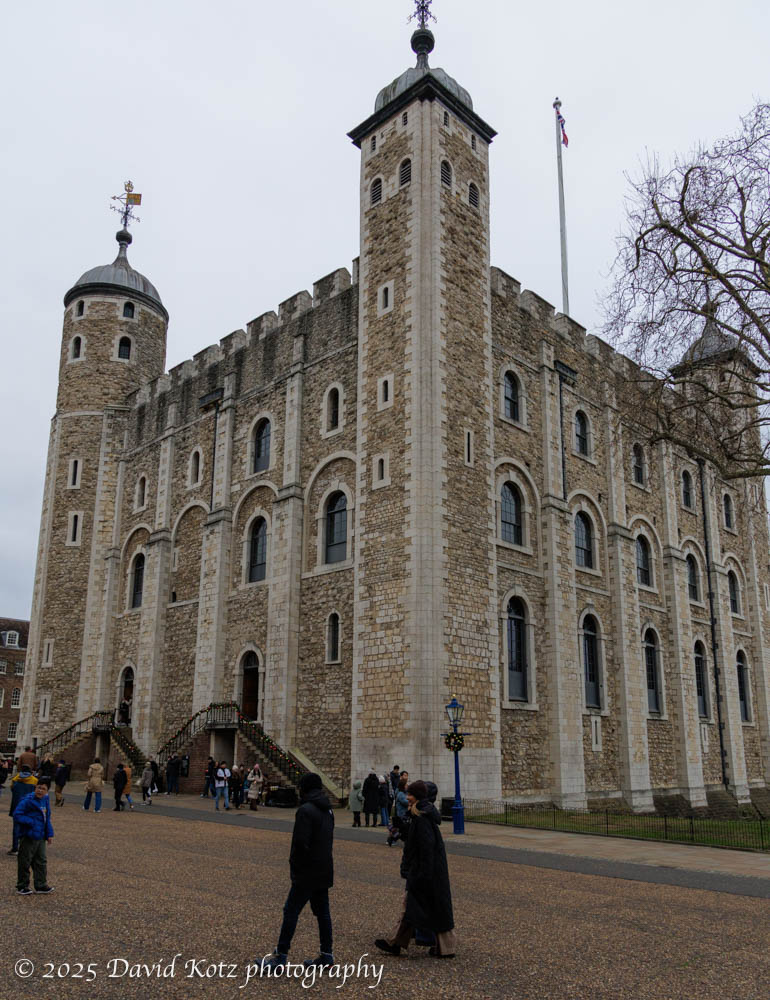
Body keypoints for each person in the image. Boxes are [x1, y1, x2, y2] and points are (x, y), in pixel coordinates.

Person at [375, 779, 456, 959]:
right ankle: (396, 942)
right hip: (425, 869)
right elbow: (415, 840)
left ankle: (444, 947)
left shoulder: (422, 818)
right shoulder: (419, 815)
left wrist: (423, 874)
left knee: (423, 906)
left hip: (426, 870)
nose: (407, 797)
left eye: (410, 794)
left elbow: (426, 847)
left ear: (417, 796)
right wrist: (402, 828)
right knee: (418, 906)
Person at [262, 772, 335, 971]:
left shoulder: (305, 810)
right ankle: (327, 955)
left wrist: (295, 868)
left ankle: (280, 956)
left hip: (307, 872)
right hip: (324, 868)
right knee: (323, 913)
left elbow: (300, 844)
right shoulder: (329, 810)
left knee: (291, 911)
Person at [14, 780, 54, 895]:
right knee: (25, 861)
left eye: (43, 789)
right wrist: (31, 822)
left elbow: (47, 818)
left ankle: (41, 885)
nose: (40, 791)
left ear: (47, 791)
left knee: (41, 861)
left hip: (40, 836)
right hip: (28, 835)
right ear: (35, 788)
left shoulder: (45, 800)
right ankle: (22, 886)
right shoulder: (27, 800)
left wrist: (49, 834)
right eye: (38, 788)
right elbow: (17, 815)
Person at [8, 764, 37, 855]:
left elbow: (12, 789)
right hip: (29, 807)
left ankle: (15, 848)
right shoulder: (34, 780)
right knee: (28, 827)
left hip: (16, 805)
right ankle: (25, 848)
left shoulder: (15, 778)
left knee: (16, 828)